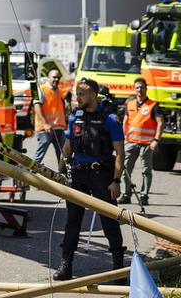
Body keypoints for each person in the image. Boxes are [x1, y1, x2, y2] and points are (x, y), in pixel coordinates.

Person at [53, 77, 125, 281]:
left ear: (94, 94)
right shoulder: (74, 117)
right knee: (72, 222)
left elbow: (120, 153)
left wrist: (116, 181)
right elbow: (67, 148)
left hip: (102, 176)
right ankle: (66, 265)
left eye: (82, 93)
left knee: (109, 220)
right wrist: (59, 174)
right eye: (77, 93)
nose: (78, 96)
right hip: (78, 174)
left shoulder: (110, 119)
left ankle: (119, 269)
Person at [119, 77, 163, 205]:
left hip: (147, 144)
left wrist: (156, 140)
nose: (140, 90)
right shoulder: (130, 104)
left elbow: (161, 123)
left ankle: (144, 196)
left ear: (146, 89)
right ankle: (126, 195)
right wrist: (124, 139)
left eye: (142, 87)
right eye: (137, 87)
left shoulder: (153, 105)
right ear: (134, 89)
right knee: (125, 169)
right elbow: (125, 122)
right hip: (131, 142)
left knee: (146, 171)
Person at [32, 69, 67, 171]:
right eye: (54, 77)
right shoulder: (40, 89)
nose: (56, 79)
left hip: (59, 128)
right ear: (48, 77)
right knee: (40, 154)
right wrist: (45, 124)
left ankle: (63, 176)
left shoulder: (60, 91)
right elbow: (37, 106)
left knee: (62, 155)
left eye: (58, 78)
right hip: (45, 129)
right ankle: (30, 174)